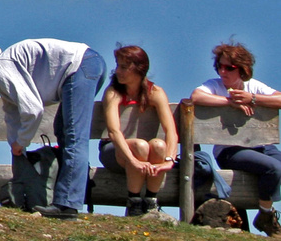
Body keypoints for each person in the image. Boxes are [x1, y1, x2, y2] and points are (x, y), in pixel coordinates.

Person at [0, 37, 105, 219]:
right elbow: (12, 116)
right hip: (84, 67)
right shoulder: (1, 79)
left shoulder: (1, 70)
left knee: (74, 137)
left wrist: (22, 141)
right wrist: (16, 146)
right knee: (63, 132)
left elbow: (33, 110)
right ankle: (64, 199)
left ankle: (68, 205)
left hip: (81, 66)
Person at [190, 42, 281, 235]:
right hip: (231, 150)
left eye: (229, 67)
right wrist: (230, 102)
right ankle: (265, 215)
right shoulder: (214, 85)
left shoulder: (253, 86)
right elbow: (196, 97)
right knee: (274, 168)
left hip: (261, 146)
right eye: (220, 66)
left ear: (242, 69)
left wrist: (253, 99)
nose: (223, 71)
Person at [100, 45, 177, 217]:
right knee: (140, 145)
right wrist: (133, 161)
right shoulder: (113, 92)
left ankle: (151, 201)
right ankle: (133, 202)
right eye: (118, 66)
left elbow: (171, 130)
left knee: (158, 145)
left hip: (146, 154)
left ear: (139, 69)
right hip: (115, 151)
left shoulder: (155, 92)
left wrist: (170, 159)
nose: (118, 71)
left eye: (124, 67)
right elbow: (114, 132)